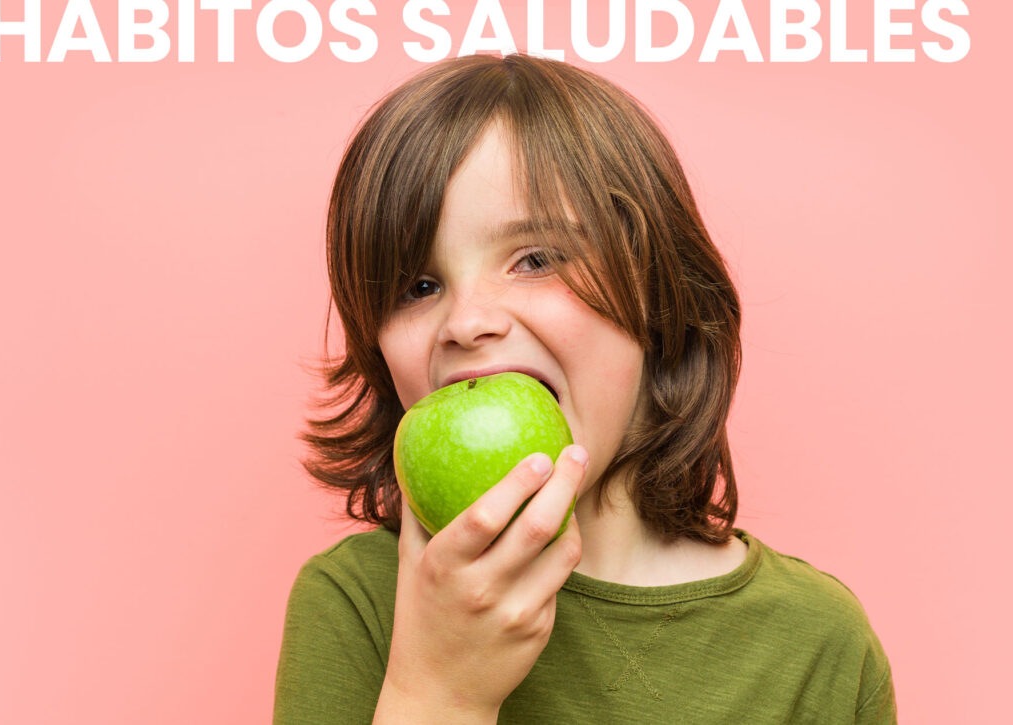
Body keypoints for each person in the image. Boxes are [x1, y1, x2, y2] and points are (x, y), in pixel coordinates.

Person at [273, 53, 896, 724]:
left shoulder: (816, 642)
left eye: (535, 259)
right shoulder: (360, 602)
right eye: (419, 286)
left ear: (657, 294)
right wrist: (438, 690)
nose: (467, 321)